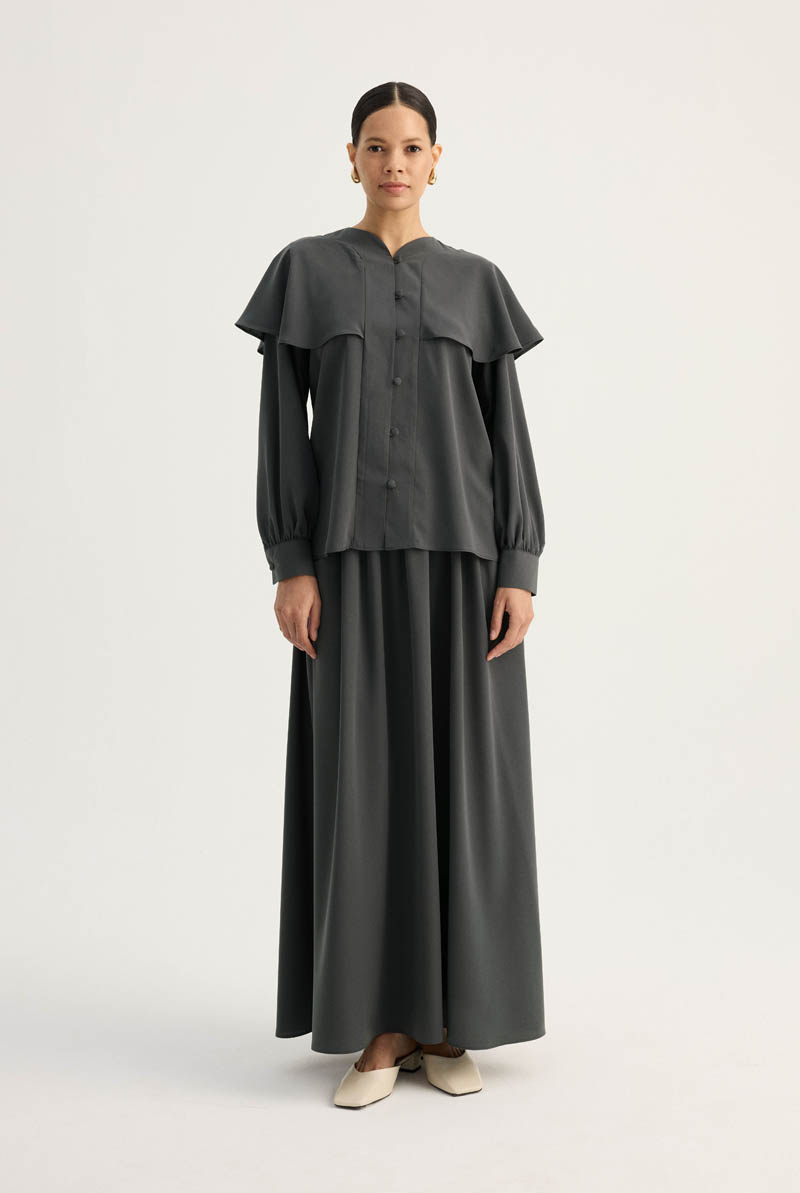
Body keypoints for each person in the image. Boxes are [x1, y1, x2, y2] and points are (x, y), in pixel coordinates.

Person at [234, 81, 547, 1108]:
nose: (395, 163)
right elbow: (282, 427)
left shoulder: (476, 283)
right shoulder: (306, 272)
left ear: (436, 159)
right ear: (352, 157)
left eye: (412, 146)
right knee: (361, 788)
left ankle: (448, 1020)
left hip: (462, 566)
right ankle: (378, 1025)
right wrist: (291, 559)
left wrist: (518, 567)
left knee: (461, 787)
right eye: (377, 146)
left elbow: (506, 435)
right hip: (348, 565)